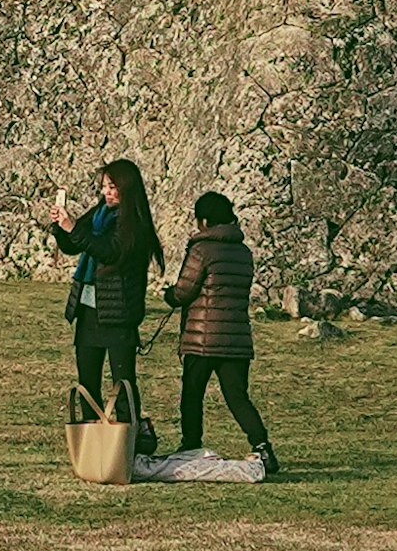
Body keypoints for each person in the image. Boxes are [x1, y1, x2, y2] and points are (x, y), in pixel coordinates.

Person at [47, 157, 164, 443]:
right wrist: (61, 227)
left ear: (127, 188)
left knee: (123, 384)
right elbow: (77, 243)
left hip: (117, 311)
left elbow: (110, 252)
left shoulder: (132, 221)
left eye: (112, 187)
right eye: (104, 187)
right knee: (87, 382)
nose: (107, 193)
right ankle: (93, 445)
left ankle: (130, 443)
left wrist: (74, 228)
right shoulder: (100, 213)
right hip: (88, 309)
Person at [166, 191, 278, 477]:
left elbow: (184, 291)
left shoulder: (201, 250)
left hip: (202, 338)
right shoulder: (243, 252)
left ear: (204, 220)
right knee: (237, 396)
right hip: (237, 337)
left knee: (192, 394)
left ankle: (191, 444)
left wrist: (170, 296)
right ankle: (262, 446)